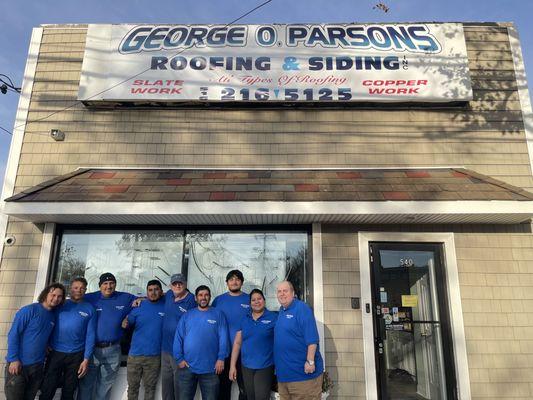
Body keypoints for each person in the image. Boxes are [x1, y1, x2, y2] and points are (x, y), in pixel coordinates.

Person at [78, 272, 136, 400]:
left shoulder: (124, 298)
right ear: (100, 286)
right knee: (86, 385)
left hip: (113, 350)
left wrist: (128, 317)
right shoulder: (90, 298)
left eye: (111, 283)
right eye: (105, 283)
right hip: (92, 350)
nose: (108, 286)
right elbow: (73, 302)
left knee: (104, 387)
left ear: (115, 285)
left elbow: (142, 300)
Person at [4, 282, 65, 400]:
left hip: (37, 367)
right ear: (46, 294)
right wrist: (14, 359)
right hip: (19, 366)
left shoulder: (52, 316)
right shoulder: (29, 310)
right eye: (53, 295)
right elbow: (13, 334)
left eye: (59, 296)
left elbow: (42, 335)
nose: (56, 298)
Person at [40, 278, 97, 400]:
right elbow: (46, 324)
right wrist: (44, 343)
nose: (79, 290)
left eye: (82, 288)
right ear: (70, 288)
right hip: (55, 353)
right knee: (47, 389)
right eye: (76, 287)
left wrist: (86, 359)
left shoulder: (90, 309)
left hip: (76, 355)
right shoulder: (59, 304)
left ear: (85, 290)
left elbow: (90, 335)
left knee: (69, 391)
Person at [174, 285, 229, 400]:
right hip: (187, 367)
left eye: (206, 295)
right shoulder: (187, 316)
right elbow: (178, 338)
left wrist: (221, 358)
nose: (203, 297)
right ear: (196, 298)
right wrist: (179, 359)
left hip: (211, 368)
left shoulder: (218, 314)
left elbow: (223, 338)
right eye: (200, 295)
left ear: (209, 297)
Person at [273, 281, 324, 400]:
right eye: (279, 291)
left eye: (285, 291)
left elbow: (312, 339)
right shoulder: (281, 311)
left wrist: (310, 361)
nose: (282, 294)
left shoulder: (302, 308)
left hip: (303, 377)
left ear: (293, 293)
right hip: (284, 378)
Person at [229, 289, 278, 400]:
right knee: (250, 397)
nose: (256, 302)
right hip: (246, 366)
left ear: (264, 301)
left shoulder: (273, 318)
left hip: (265, 366)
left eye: (259, 299)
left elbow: (281, 340)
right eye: (253, 300)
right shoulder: (245, 319)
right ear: (250, 303)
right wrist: (232, 366)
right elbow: (237, 343)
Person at [122, 280, 165, 400]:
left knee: (150, 388)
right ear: (147, 292)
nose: (153, 292)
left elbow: (174, 293)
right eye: (150, 290)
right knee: (133, 388)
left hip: (154, 356)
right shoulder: (138, 306)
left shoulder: (166, 306)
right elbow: (128, 322)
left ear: (161, 291)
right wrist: (125, 322)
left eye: (156, 289)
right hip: (135, 355)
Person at [212, 269, 249, 400]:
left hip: (244, 353)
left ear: (242, 282)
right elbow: (211, 324)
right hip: (223, 352)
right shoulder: (218, 300)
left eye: (237, 279)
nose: (234, 282)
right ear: (227, 282)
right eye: (231, 279)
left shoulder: (250, 299)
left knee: (245, 390)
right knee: (222, 389)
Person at [160, 273, 196, 400]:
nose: (178, 285)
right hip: (165, 349)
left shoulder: (191, 300)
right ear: (171, 285)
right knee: (166, 385)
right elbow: (156, 295)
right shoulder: (169, 294)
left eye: (180, 283)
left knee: (180, 386)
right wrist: (140, 299)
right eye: (175, 283)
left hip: (180, 352)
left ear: (185, 284)